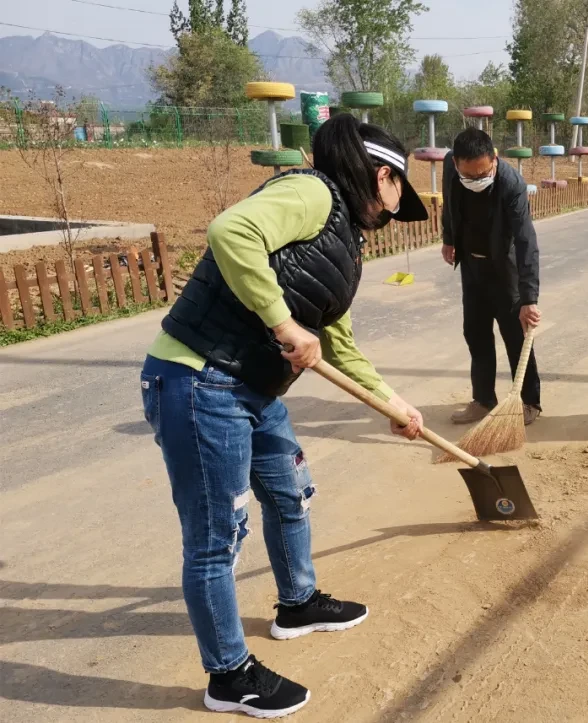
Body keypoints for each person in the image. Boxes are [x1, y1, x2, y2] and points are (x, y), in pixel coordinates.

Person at [140, 115, 429, 718]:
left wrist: (394, 404)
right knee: (216, 541)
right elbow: (231, 230)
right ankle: (227, 675)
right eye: (398, 193)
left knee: (289, 493)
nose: (393, 211)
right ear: (383, 177)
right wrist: (283, 323)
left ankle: (298, 603)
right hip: (199, 380)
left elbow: (339, 343)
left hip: (254, 388)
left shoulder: (343, 236)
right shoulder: (310, 192)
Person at [440, 127, 542, 425]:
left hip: (503, 268)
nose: (476, 181)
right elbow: (449, 201)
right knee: (475, 333)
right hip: (472, 265)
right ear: (457, 163)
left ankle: (529, 402)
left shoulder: (512, 185)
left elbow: (526, 241)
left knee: (515, 335)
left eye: (483, 173)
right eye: (468, 176)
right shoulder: (451, 166)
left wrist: (529, 298)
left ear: (494, 159)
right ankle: (483, 400)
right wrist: (449, 239)